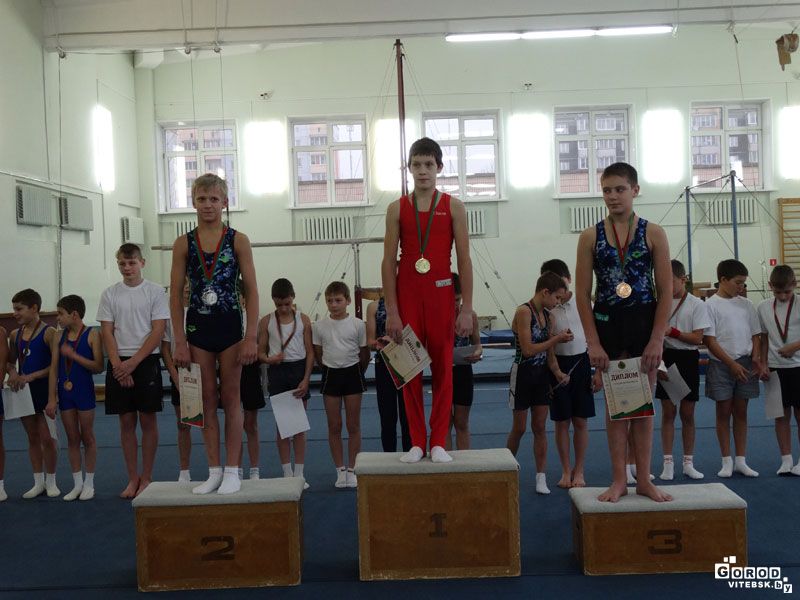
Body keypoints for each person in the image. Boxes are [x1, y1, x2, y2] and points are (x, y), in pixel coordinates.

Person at [575, 162, 673, 503]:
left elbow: (666, 292)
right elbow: (582, 295)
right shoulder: (590, 236)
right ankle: (619, 479)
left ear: (635, 190)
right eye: (606, 190)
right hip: (608, 324)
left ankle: (643, 479)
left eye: (619, 189)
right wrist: (593, 342)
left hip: (644, 322)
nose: (612, 196)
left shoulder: (653, 233)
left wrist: (657, 338)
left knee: (643, 406)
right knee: (617, 406)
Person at [381, 137, 474, 464]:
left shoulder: (454, 207)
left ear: (439, 168)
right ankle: (418, 441)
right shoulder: (397, 209)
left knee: (444, 369)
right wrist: (392, 311)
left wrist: (467, 308)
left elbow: (464, 260)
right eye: (417, 165)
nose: (422, 171)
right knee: (410, 369)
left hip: (441, 294)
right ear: (409, 168)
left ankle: (438, 441)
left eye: (429, 165)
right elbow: (387, 262)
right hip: (408, 294)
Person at [170, 173, 259, 495]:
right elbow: (175, 294)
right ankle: (213, 470)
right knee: (206, 398)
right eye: (201, 199)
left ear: (225, 202)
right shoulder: (184, 243)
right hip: (197, 328)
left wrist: (251, 337)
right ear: (193, 202)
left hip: (230, 326)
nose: (208, 205)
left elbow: (252, 290)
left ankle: (233, 470)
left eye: (213, 199)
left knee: (231, 398)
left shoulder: (238, 240)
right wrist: (179, 340)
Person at [97, 245, 169, 498]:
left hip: (145, 360)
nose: (127, 268)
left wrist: (134, 363)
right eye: (122, 264)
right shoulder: (110, 294)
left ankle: (146, 477)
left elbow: (158, 330)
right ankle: (132, 478)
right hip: (119, 361)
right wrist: (118, 365)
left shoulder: (155, 291)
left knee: (148, 420)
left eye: (132, 263)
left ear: (142, 263)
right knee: (126, 422)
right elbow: (106, 331)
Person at [507, 271, 571, 494]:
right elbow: (527, 349)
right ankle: (506, 470)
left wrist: (558, 372)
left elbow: (549, 353)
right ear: (545, 292)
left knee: (540, 427)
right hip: (522, 374)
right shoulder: (524, 312)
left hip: (541, 376)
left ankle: (540, 476)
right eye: (557, 298)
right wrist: (556, 338)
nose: (558, 303)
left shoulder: (549, 317)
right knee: (519, 428)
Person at [704, 259, 762, 478]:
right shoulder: (710, 305)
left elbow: (756, 334)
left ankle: (741, 460)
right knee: (723, 411)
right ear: (723, 280)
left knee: (741, 412)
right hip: (721, 364)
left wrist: (755, 356)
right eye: (738, 283)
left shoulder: (746, 305)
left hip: (745, 362)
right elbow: (710, 341)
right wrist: (731, 363)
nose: (741, 287)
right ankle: (726, 460)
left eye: (744, 283)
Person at [540, 259, 595, 489]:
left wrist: (598, 372)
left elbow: (596, 337)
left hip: (582, 362)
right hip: (557, 364)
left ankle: (579, 470)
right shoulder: (546, 308)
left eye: (559, 280)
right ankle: (565, 470)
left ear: (568, 280)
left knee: (580, 420)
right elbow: (546, 346)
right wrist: (554, 370)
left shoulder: (584, 303)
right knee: (561, 421)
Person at [655, 259, 710, 480]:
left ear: (683, 279)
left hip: (687, 357)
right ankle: (667, 462)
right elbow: (654, 337)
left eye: (671, 281)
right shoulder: (659, 303)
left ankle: (688, 462)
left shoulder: (697, 304)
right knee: (668, 413)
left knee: (687, 414)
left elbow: (698, 338)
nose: (666, 286)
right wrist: (659, 363)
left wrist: (673, 332)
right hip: (666, 356)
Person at [46, 294, 103, 500]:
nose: (57, 318)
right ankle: (77, 483)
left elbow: (98, 366)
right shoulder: (58, 336)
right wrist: (51, 398)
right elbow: (54, 369)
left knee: (87, 437)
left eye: (61, 314)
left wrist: (75, 356)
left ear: (74, 314)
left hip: (84, 390)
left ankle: (89, 483)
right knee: (72, 438)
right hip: (65, 393)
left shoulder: (92, 334)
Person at [312, 281, 369, 488]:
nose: (333, 305)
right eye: (329, 301)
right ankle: (340, 470)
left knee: (353, 425)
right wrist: (329, 367)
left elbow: (364, 354)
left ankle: (352, 469)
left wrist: (358, 371)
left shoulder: (358, 324)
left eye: (338, 300)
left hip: (353, 372)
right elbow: (318, 353)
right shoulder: (319, 326)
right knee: (334, 425)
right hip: (330, 373)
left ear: (348, 301)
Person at [259, 278, 314, 485]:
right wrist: (269, 359)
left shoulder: (304, 319)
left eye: (287, 304)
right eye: (279, 304)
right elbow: (260, 352)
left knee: (299, 426)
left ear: (293, 297)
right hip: (278, 371)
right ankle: (287, 473)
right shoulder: (266, 321)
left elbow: (310, 353)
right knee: (283, 427)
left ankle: (299, 474)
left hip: (298, 370)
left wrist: (306, 379)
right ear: (273, 300)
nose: (283, 308)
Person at [7, 289, 60, 498]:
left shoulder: (49, 333)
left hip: (44, 390)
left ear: (34, 308)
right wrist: (13, 373)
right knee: (32, 438)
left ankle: (51, 481)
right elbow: (10, 362)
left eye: (19, 309)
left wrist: (32, 376)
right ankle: (38, 482)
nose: (15, 313)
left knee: (48, 438)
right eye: (14, 309)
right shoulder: (15, 335)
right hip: (24, 391)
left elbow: (55, 366)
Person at [757, 265, 800, 476]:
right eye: (778, 292)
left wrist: (794, 346)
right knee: (780, 416)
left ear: (795, 285)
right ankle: (786, 459)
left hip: (798, 366)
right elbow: (764, 338)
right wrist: (763, 363)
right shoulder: (763, 307)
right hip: (775, 368)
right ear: (770, 286)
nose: (782, 296)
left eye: (787, 292)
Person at [366, 291, 411, 453]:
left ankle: (410, 453)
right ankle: (388, 456)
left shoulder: (409, 303)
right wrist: (380, 343)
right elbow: (370, 341)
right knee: (387, 417)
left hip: (407, 364)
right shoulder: (374, 307)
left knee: (408, 417)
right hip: (384, 364)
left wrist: (398, 340)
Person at [161, 279, 192, 482]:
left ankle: (215, 468)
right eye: (184, 284)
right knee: (183, 424)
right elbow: (165, 349)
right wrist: (174, 375)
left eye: (190, 284)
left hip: (202, 370)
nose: (187, 288)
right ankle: (184, 471)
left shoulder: (202, 310)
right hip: (179, 371)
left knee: (210, 422)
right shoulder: (170, 315)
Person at [449, 272, 482, 450]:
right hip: (443, 372)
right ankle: (444, 463)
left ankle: (464, 462)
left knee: (461, 423)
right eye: (452, 300)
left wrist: (477, 353)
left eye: (458, 300)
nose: (455, 304)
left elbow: (478, 345)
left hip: (463, 371)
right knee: (444, 423)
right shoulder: (436, 315)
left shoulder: (471, 316)